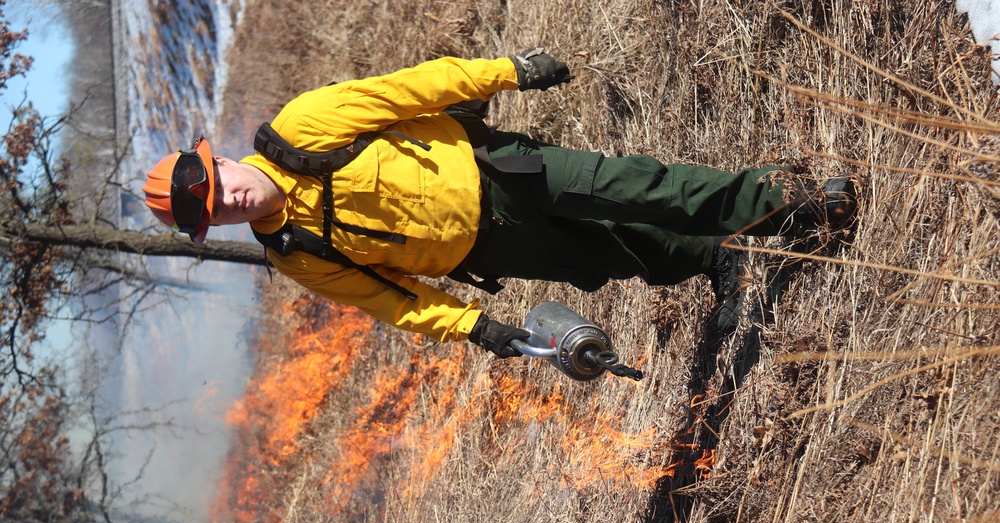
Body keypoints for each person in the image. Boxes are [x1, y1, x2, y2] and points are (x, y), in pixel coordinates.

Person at [143, 49, 858, 358]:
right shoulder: (292, 253)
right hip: (491, 249)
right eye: (216, 212)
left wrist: (508, 72)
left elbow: (411, 89)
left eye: (217, 185)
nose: (230, 199)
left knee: (640, 188)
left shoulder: (301, 128)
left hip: (504, 173)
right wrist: (474, 328)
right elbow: (391, 300)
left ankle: (790, 200)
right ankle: (715, 258)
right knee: (611, 254)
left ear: (221, 160)